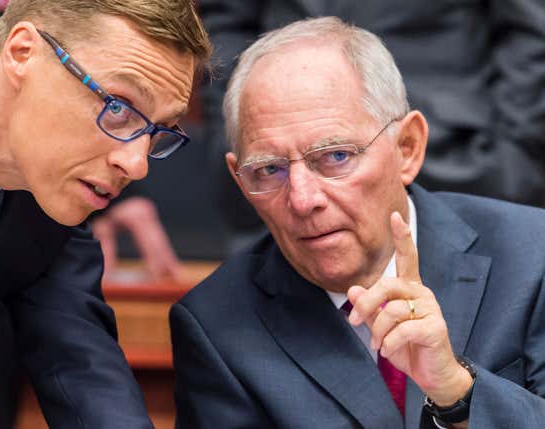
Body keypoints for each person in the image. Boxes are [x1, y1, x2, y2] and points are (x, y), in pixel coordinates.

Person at [170, 17, 545, 428]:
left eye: (335, 157)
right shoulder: (216, 326)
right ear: (239, 178)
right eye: (270, 170)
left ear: (407, 147)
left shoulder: (532, 256)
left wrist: (458, 392)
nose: (303, 199)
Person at [0, 1, 211, 429]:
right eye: (118, 107)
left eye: (156, 132)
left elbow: (79, 360)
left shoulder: (46, 201)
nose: (137, 165)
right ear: (22, 52)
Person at [198, 0, 545, 252]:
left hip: (459, 158)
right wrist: (238, 132)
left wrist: (512, 150)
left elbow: (529, 28)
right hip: (278, 176)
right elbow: (226, 20)